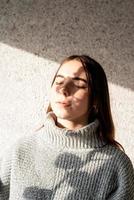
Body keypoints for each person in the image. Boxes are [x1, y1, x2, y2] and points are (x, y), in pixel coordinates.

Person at [0, 55, 134, 200]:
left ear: (96, 99)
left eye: (79, 85)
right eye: (59, 81)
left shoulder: (116, 165)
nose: (63, 89)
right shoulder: (20, 150)